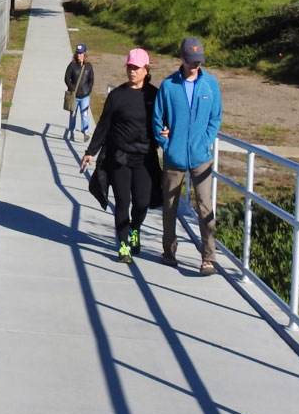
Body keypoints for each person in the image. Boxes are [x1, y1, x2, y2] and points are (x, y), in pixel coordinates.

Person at [81, 48, 158, 263]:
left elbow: (163, 121)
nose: (132, 72)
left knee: (142, 202)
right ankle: (123, 244)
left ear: (146, 69)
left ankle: (135, 229)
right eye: (130, 67)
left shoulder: (154, 95)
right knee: (123, 201)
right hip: (120, 157)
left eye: (136, 68)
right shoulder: (116, 96)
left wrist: (167, 132)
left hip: (144, 158)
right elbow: (104, 125)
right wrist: (90, 152)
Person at [153, 36, 223, 275]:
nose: (195, 66)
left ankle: (208, 258)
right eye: (191, 61)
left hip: (201, 158)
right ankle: (169, 250)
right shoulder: (168, 85)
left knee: (205, 206)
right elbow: (157, 118)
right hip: (174, 157)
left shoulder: (210, 85)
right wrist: (166, 142)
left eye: (198, 62)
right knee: (170, 205)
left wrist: (205, 141)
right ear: (181, 58)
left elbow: (216, 118)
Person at [64, 43, 94, 141]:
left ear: (85, 54)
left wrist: (88, 90)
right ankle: (71, 131)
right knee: (73, 114)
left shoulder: (88, 66)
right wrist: (72, 88)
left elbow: (91, 79)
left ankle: (85, 132)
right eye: (77, 53)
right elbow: (66, 78)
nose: (79, 55)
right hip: (74, 96)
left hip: (85, 96)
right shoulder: (72, 65)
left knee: (84, 114)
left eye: (81, 53)